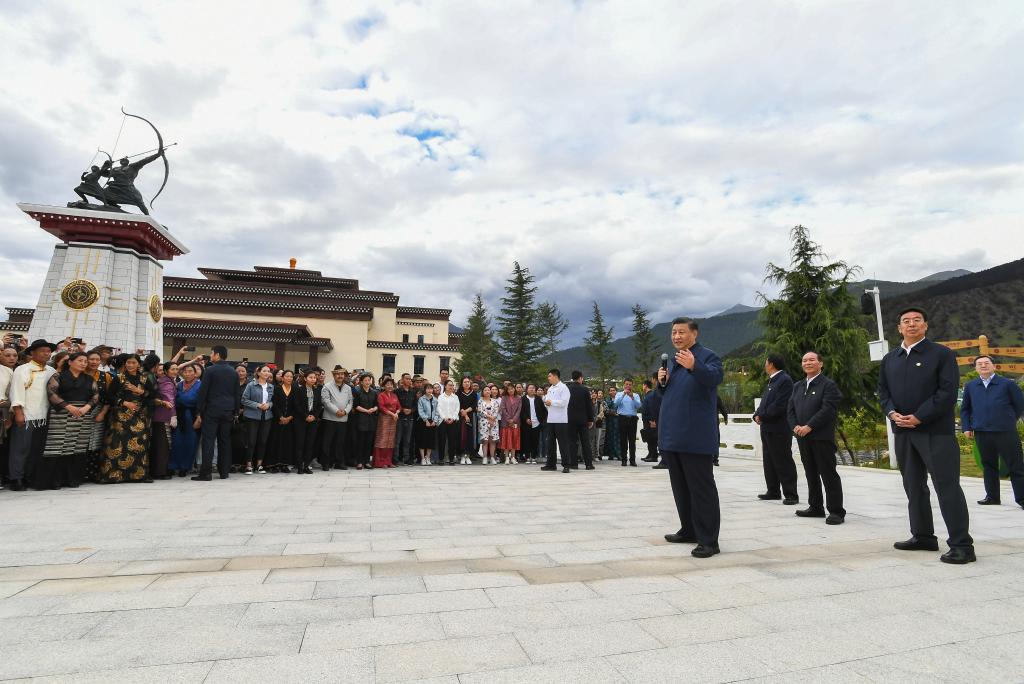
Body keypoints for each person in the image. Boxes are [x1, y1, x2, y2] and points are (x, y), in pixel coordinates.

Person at [879, 306, 974, 564]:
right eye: (906, 321)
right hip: (903, 432)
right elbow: (883, 393)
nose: (911, 324)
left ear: (925, 325)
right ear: (899, 328)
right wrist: (891, 414)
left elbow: (947, 392)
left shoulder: (941, 354)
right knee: (913, 486)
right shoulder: (891, 359)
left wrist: (920, 416)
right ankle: (923, 536)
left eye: (916, 320)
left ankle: (962, 545)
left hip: (935, 432)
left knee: (947, 486)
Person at [657, 317, 724, 558]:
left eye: (681, 332)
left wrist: (695, 365)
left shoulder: (707, 357)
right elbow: (671, 395)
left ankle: (709, 540)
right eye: (673, 332)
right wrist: (661, 383)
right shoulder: (674, 361)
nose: (676, 336)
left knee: (701, 489)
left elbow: (714, 379)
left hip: (695, 437)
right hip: (673, 435)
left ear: (694, 334)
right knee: (681, 488)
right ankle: (689, 529)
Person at [787, 351, 845, 525]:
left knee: (828, 474)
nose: (807, 363)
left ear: (821, 364)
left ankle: (836, 511)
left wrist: (809, 426)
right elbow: (790, 409)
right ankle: (816, 507)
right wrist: (795, 426)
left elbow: (828, 410)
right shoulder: (797, 386)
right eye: (804, 360)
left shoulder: (828, 385)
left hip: (821, 437)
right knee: (810, 473)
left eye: (812, 360)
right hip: (802, 437)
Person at [961, 354, 1024, 509]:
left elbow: (1020, 405)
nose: (983, 366)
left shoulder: (1007, 384)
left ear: (994, 366)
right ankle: (992, 497)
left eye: (986, 363)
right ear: (975, 368)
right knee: (988, 465)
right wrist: (967, 427)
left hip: (1005, 431)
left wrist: (1009, 419)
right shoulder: (970, 386)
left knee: (1015, 465)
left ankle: (1022, 499)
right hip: (982, 431)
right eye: (979, 364)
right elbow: (965, 409)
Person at [41, 351, 99, 489]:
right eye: (80, 360)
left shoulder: (89, 379)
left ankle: (73, 479)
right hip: (61, 414)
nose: (83, 364)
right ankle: (54, 481)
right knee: (57, 446)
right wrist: (67, 406)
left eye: (85, 361)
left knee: (76, 447)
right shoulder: (59, 376)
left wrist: (87, 407)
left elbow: (96, 396)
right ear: (70, 362)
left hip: (82, 416)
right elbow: (51, 392)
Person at [98, 354, 156, 483]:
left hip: (139, 416)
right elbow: (109, 396)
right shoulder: (119, 378)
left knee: (139, 445)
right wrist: (124, 403)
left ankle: (139, 475)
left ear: (138, 364)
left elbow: (153, 396)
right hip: (120, 417)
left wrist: (139, 391)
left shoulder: (144, 379)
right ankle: (113, 476)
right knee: (116, 444)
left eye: (133, 363)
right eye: (128, 363)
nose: (130, 365)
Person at [753, 353, 799, 505]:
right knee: (769, 460)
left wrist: (763, 416)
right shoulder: (772, 381)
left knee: (783, 460)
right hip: (767, 427)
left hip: (779, 428)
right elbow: (765, 402)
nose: (765, 365)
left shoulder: (784, 380)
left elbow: (780, 405)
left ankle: (791, 494)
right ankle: (773, 491)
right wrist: (757, 415)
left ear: (771, 364)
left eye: (766, 362)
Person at [192, 346, 239, 481]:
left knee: (209, 441)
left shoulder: (210, 370)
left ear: (217, 355)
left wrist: (199, 411)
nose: (210, 355)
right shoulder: (233, 372)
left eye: (212, 353)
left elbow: (203, 392)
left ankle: (206, 473)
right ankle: (224, 472)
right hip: (228, 410)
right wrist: (235, 412)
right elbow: (236, 394)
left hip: (212, 410)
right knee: (225, 441)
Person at [240, 365, 274, 474]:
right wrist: (258, 405)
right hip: (252, 416)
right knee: (251, 441)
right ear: (258, 373)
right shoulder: (251, 385)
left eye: (268, 371)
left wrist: (269, 405)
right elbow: (244, 400)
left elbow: (272, 401)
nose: (267, 373)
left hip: (267, 416)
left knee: (263, 441)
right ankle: (249, 465)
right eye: (264, 371)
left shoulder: (271, 387)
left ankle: (259, 465)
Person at [170, 364, 201, 477]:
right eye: (185, 372)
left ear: (195, 373)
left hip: (192, 417)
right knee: (176, 442)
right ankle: (173, 466)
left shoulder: (200, 385)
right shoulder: (179, 385)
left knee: (190, 443)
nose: (187, 374)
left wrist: (199, 417)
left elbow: (202, 402)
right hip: (179, 416)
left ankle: (185, 467)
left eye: (190, 371)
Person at [320, 365, 352, 471]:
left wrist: (346, 411)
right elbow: (326, 401)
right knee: (327, 442)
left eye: (342, 374)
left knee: (340, 442)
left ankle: (339, 462)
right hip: (329, 418)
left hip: (343, 419)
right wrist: (336, 411)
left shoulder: (348, 388)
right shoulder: (327, 386)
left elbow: (350, 401)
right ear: (334, 375)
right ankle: (326, 463)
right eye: (338, 374)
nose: (340, 376)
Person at [150, 361, 177, 480]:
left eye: (177, 369)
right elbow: (169, 399)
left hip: (158, 416)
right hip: (163, 416)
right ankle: (160, 472)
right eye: (173, 369)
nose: (175, 371)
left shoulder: (165, 380)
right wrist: (173, 415)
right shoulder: (167, 383)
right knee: (163, 445)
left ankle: (158, 470)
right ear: (166, 371)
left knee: (160, 444)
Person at [292, 368, 323, 474]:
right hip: (301, 420)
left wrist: (314, 416)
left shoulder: (317, 391)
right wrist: (305, 416)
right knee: (300, 443)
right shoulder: (299, 390)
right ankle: (299, 466)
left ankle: (306, 465)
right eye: (310, 377)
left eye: (314, 377)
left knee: (310, 444)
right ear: (305, 378)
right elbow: (296, 405)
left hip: (313, 421)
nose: (313, 379)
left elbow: (319, 406)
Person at [541, 369, 572, 473]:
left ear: (555, 376)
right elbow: (548, 402)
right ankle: (551, 464)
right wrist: (546, 403)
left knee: (563, 443)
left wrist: (552, 402)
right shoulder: (550, 389)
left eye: (549, 376)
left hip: (561, 420)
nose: (548, 378)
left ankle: (566, 464)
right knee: (550, 443)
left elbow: (564, 402)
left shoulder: (563, 388)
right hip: (550, 419)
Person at [269, 370, 297, 473]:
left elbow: (296, 405)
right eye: (287, 376)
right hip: (277, 420)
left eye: (291, 376)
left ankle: (285, 464)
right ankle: (274, 464)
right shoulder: (277, 389)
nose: (289, 378)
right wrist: (280, 417)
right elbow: (274, 404)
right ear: (282, 378)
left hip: (290, 420)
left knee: (287, 442)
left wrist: (289, 418)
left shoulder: (295, 389)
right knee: (275, 441)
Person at [567, 370, 595, 470]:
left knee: (572, 442)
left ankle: (573, 464)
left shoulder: (567, 389)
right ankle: (588, 464)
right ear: (580, 378)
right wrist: (590, 419)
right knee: (585, 442)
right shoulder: (585, 389)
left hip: (570, 419)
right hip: (583, 420)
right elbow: (589, 406)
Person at [352, 373, 379, 469]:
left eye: (369, 380)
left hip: (371, 419)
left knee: (369, 442)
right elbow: (355, 406)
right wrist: (366, 410)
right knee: (360, 441)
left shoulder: (374, 392)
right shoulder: (358, 392)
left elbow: (377, 405)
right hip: (361, 418)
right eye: (366, 380)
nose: (368, 382)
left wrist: (374, 409)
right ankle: (359, 462)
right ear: (362, 382)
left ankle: (367, 461)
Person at [614, 378, 642, 466]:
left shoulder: (636, 395)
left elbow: (638, 406)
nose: (628, 386)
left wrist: (632, 397)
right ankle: (624, 459)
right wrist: (623, 395)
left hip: (632, 419)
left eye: (630, 384)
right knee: (623, 440)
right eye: (626, 384)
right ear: (624, 385)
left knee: (632, 440)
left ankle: (632, 460)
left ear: (632, 385)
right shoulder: (619, 394)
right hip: (622, 418)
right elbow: (616, 404)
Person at [373, 377, 400, 468]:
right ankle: (379, 462)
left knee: (390, 440)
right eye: (387, 384)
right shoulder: (381, 395)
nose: (390, 386)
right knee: (382, 440)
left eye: (391, 384)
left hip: (393, 420)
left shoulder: (394, 395)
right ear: (384, 386)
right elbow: (381, 407)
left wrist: (396, 413)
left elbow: (399, 407)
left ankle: (388, 461)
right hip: (384, 419)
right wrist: (392, 414)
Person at [395, 373, 417, 466]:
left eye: (410, 379)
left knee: (407, 440)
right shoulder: (397, 391)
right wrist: (402, 409)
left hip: (410, 418)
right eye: (407, 379)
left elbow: (416, 405)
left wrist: (411, 410)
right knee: (397, 440)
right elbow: (395, 403)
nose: (409, 380)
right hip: (400, 418)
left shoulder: (413, 392)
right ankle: (395, 458)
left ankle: (406, 458)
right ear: (402, 380)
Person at [520, 384, 546, 465]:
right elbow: (521, 411)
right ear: (526, 390)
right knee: (526, 440)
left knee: (535, 441)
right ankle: (527, 457)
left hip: (537, 423)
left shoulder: (538, 399)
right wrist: (526, 419)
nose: (532, 389)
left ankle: (534, 457)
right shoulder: (523, 399)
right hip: (526, 423)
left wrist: (541, 420)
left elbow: (543, 411)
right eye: (530, 388)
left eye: (533, 388)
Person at [436, 379, 460, 465]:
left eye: (452, 385)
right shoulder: (441, 397)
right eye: (449, 385)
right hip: (443, 421)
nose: (451, 387)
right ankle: (441, 459)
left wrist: (453, 418)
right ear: (445, 386)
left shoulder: (455, 397)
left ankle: (451, 459)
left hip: (453, 421)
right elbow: (439, 408)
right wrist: (445, 418)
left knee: (452, 441)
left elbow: (457, 408)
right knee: (442, 440)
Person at [417, 383, 439, 465]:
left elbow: (437, 411)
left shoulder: (435, 400)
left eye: (431, 388)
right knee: (423, 440)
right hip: (423, 422)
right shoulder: (421, 399)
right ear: (425, 390)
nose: (430, 390)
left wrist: (435, 421)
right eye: (428, 388)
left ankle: (428, 457)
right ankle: (423, 458)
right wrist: (425, 420)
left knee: (430, 441)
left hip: (432, 422)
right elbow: (420, 410)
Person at [499, 384, 522, 464]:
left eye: (512, 389)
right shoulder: (504, 398)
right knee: (506, 440)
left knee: (514, 439)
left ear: (514, 389)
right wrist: (509, 419)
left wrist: (514, 419)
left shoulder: (519, 398)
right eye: (508, 389)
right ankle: (507, 458)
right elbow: (503, 409)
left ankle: (513, 457)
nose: (510, 390)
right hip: (506, 422)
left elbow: (519, 410)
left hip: (516, 422)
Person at [457, 377, 478, 464]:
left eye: (468, 382)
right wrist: (464, 414)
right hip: (461, 417)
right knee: (461, 436)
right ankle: (462, 455)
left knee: (470, 435)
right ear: (462, 383)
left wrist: (466, 412)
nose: (466, 383)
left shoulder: (473, 393)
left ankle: (468, 455)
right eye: (465, 382)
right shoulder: (458, 393)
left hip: (471, 416)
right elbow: (458, 404)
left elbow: (474, 405)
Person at [478, 385, 501, 464]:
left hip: (493, 423)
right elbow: (480, 411)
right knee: (485, 440)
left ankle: (492, 457)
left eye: (488, 390)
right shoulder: (480, 401)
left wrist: (492, 418)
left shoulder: (494, 401)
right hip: (484, 422)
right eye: (485, 390)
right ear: (483, 392)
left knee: (492, 441)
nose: (487, 391)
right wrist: (489, 417)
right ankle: (484, 457)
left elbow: (496, 411)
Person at [641, 377, 662, 463]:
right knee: (649, 437)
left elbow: (653, 408)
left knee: (652, 438)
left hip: (650, 420)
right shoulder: (648, 395)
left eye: (643, 385)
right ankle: (650, 454)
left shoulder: (651, 395)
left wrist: (653, 420)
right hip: (647, 419)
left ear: (645, 385)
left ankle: (653, 456)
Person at [602, 386, 621, 461]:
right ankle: (611, 454)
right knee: (609, 438)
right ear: (609, 392)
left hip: (618, 421)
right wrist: (612, 412)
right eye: (611, 390)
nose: (612, 392)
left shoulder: (619, 399)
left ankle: (619, 454)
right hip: (609, 421)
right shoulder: (606, 400)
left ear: (616, 391)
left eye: (614, 390)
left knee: (618, 438)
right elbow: (605, 410)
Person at [590, 389, 604, 463]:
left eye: (595, 393)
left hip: (597, 423)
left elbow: (602, 413)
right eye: (592, 393)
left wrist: (596, 418)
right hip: (589, 424)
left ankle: (595, 455)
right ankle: (589, 455)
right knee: (590, 440)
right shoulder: (588, 402)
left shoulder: (599, 403)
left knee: (596, 440)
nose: (594, 394)